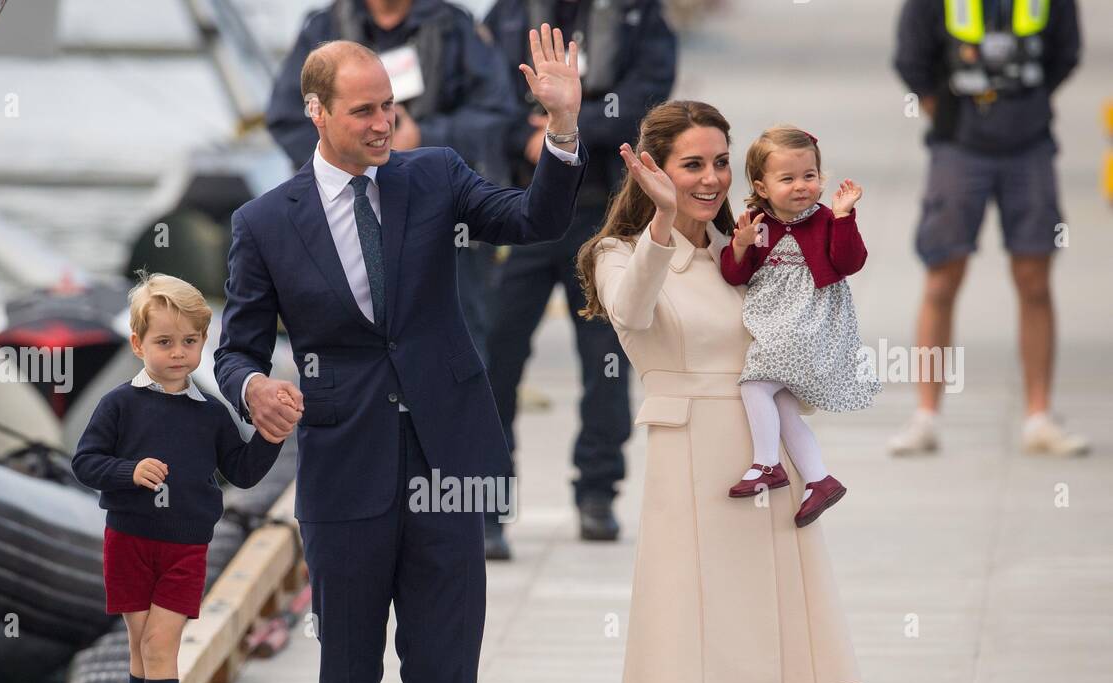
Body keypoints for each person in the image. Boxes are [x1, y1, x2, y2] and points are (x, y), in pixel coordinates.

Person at [215, 28, 587, 683]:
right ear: (317, 114)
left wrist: (563, 125)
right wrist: (251, 387)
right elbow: (234, 345)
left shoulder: (435, 175)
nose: (387, 123)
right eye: (366, 111)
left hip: (450, 467)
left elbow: (534, 219)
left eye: (391, 106)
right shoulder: (265, 222)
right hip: (344, 475)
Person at [578, 101, 862, 683]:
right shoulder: (622, 251)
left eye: (717, 164)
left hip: (763, 468)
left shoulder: (763, 244)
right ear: (652, 168)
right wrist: (663, 220)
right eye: (689, 164)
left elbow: (805, 335)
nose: (706, 179)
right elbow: (633, 311)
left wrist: (828, 232)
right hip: (683, 475)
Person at [71, 272, 285, 683]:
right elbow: (85, 461)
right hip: (128, 540)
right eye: (164, 342)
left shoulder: (211, 412)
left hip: (186, 545)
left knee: (162, 644)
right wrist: (130, 471)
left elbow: (241, 470)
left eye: (190, 342)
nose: (178, 353)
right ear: (138, 343)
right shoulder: (119, 404)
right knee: (142, 644)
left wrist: (271, 435)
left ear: (204, 343)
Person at [480, 0, 677, 558]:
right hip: (514, 210)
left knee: (607, 361)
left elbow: (652, 95)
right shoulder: (509, 13)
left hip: (602, 213)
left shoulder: (638, 13)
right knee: (493, 358)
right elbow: (482, 92)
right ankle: (488, 505)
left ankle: (597, 492)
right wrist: (526, 137)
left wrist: (568, 128)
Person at [265, 0, 514, 369]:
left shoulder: (455, 27)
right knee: (346, 347)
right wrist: (348, 160)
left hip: (440, 219)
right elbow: (287, 118)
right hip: (344, 217)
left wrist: (421, 139)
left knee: (460, 348)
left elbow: (496, 113)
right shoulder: (322, 28)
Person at [891, 0, 1086, 455]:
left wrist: (1025, 106)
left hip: (1030, 145)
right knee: (942, 276)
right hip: (958, 147)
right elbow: (911, 58)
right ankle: (926, 416)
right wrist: (948, 112)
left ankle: (1039, 416)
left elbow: (1066, 52)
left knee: (1034, 278)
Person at [718, 125, 880, 527]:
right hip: (776, 324)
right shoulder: (758, 223)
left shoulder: (825, 219)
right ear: (762, 185)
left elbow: (850, 262)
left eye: (809, 176)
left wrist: (843, 218)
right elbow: (736, 275)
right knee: (784, 404)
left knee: (755, 382)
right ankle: (819, 479)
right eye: (787, 179)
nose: (801, 186)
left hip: (809, 324)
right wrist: (739, 246)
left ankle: (767, 463)